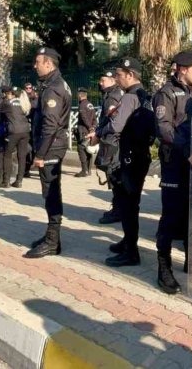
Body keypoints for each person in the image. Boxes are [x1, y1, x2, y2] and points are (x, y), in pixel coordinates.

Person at [153, 49, 192, 294]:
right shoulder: (165, 95)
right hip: (175, 163)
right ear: (182, 69)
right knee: (171, 217)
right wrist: (186, 151)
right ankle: (164, 267)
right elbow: (164, 130)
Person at [99, 58, 155, 267]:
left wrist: (99, 133)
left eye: (119, 75)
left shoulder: (131, 97)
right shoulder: (143, 95)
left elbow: (115, 126)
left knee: (128, 205)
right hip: (139, 155)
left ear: (130, 75)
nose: (116, 78)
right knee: (130, 203)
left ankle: (131, 252)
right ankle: (127, 241)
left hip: (130, 158)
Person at [25, 47, 72, 259]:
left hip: (51, 147)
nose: (35, 66)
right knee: (51, 191)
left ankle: (52, 242)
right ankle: (53, 238)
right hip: (53, 145)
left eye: (38, 62)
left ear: (49, 64)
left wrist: (40, 155)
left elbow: (50, 126)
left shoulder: (53, 88)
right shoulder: (55, 84)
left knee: (51, 193)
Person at [94, 70, 125, 225]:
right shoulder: (117, 93)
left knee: (114, 175)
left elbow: (111, 122)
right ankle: (117, 208)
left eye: (103, 80)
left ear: (112, 80)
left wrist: (98, 134)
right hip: (114, 141)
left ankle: (118, 211)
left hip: (112, 141)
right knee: (115, 175)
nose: (100, 83)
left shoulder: (112, 97)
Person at [0, 86, 31, 188]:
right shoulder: (23, 103)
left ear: (11, 94)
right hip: (25, 131)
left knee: (7, 155)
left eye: (7, 93)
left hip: (13, 132)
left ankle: (6, 181)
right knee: (21, 156)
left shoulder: (7, 103)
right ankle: (19, 180)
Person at [74, 88, 97, 178]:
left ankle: (84, 171)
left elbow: (84, 117)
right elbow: (94, 118)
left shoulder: (82, 105)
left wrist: (89, 127)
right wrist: (93, 128)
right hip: (90, 131)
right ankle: (89, 170)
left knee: (81, 149)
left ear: (80, 95)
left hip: (83, 130)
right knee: (88, 149)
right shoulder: (90, 104)